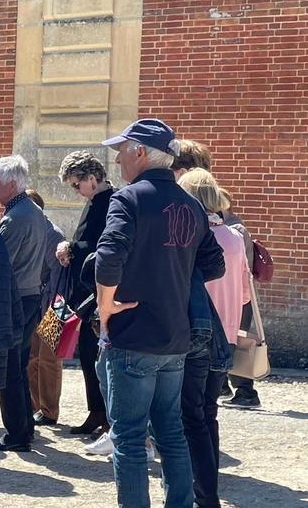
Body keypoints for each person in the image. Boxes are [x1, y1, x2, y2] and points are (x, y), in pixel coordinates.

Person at [95, 118, 225, 508]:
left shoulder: (129, 198)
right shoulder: (192, 204)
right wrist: (174, 271)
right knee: (171, 432)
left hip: (134, 333)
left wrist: (105, 306)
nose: (118, 161)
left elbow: (108, 256)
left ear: (139, 152)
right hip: (175, 336)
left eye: (121, 152)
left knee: (130, 438)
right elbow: (214, 265)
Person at [178, 168, 250, 508]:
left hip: (197, 331)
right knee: (208, 412)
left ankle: (202, 494)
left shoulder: (194, 237)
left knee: (188, 416)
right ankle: (209, 488)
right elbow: (246, 296)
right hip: (228, 334)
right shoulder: (235, 238)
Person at [0, 156, 47, 452]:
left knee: (9, 369)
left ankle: (17, 434)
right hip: (30, 294)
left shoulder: (16, 216)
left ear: (10, 184)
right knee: (18, 367)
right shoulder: (31, 211)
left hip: (16, 298)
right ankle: (24, 429)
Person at [55, 151, 114, 435]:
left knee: (99, 357)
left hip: (100, 293)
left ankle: (107, 418)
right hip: (85, 291)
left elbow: (100, 246)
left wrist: (70, 248)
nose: (75, 190)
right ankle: (96, 412)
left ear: (92, 178)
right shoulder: (94, 201)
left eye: (76, 184)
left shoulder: (111, 202)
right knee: (88, 356)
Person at [25, 189, 66, 427]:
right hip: (38, 302)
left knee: (49, 359)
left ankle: (50, 410)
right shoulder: (32, 231)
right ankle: (35, 405)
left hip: (56, 305)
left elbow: (59, 275)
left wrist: (50, 308)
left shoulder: (52, 235)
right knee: (33, 357)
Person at [219, 188, 262, 409]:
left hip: (238, 295)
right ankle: (223, 385)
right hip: (235, 293)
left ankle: (246, 392)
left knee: (237, 343)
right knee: (230, 341)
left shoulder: (235, 229)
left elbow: (239, 265)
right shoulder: (233, 227)